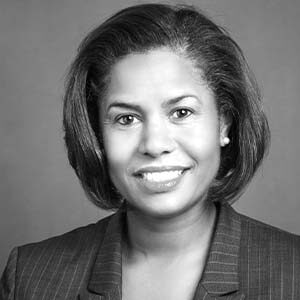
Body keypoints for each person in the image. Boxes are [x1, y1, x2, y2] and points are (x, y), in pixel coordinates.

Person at [1, 3, 299, 300]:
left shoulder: (293, 273)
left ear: (223, 123)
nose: (155, 145)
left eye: (181, 112)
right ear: (97, 135)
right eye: (126, 119)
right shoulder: (30, 276)